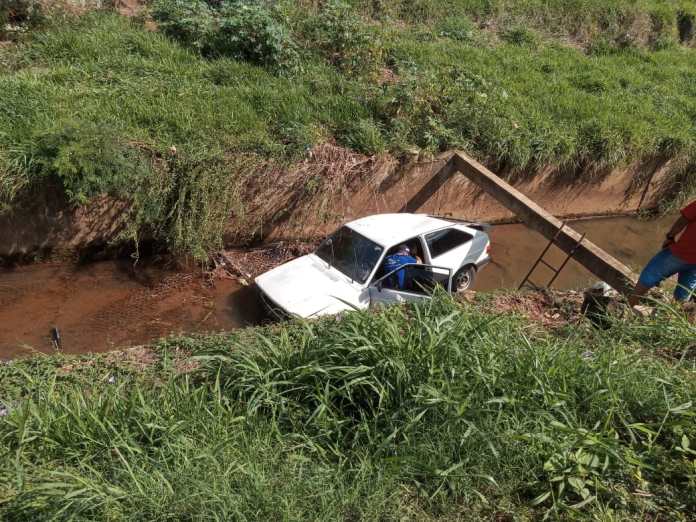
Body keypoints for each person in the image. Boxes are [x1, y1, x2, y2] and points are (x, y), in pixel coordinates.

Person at [629, 200, 696, 307]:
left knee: (649, 275)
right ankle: (674, 320)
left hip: (681, 253)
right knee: (683, 295)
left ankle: (630, 307)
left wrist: (670, 237)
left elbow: (682, 221)